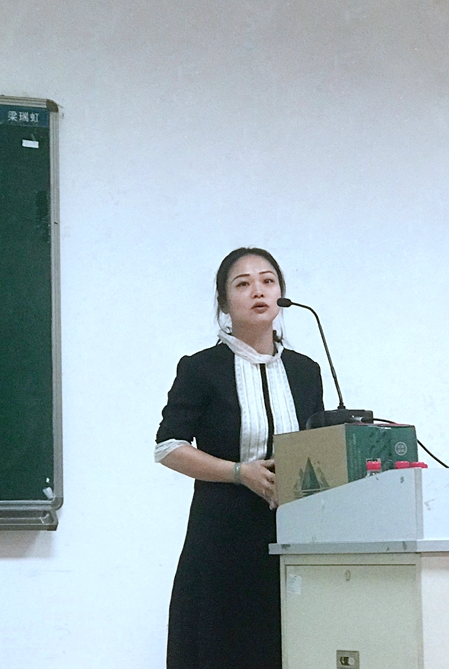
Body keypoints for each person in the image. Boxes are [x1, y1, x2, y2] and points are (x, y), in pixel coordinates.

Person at [155, 247, 324, 669]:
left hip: (292, 535)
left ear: (281, 293)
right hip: (221, 537)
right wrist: (237, 472)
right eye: (243, 284)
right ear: (225, 303)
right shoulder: (201, 369)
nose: (258, 291)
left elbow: (319, 445)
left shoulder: (306, 371)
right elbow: (168, 447)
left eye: (268, 281)